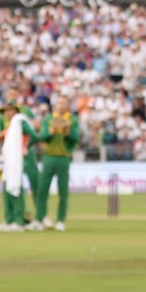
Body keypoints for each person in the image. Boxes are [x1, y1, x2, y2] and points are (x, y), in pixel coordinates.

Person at [35, 96, 81, 232]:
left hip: (63, 157)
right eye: (59, 103)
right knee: (42, 189)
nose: (61, 106)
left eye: (64, 103)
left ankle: (61, 220)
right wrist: (52, 130)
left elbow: (76, 138)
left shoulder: (72, 120)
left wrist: (67, 131)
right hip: (48, 157)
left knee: (63, 190)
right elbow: (41, 137)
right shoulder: (49, 119)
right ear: (55, 105)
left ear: (67, 106)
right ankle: (41, 218)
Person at [0, 102, 37, 231]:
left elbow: (34, 136)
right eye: (5, 111)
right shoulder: (10, 124)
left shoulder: (20, 121)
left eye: (9, 110)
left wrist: (24, 147)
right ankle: (9, 219)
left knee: (16, 186)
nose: (7, 113)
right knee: (7, 185)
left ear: (15, 111)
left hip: (17, 158)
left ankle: (18, 219)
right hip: (9, 158)